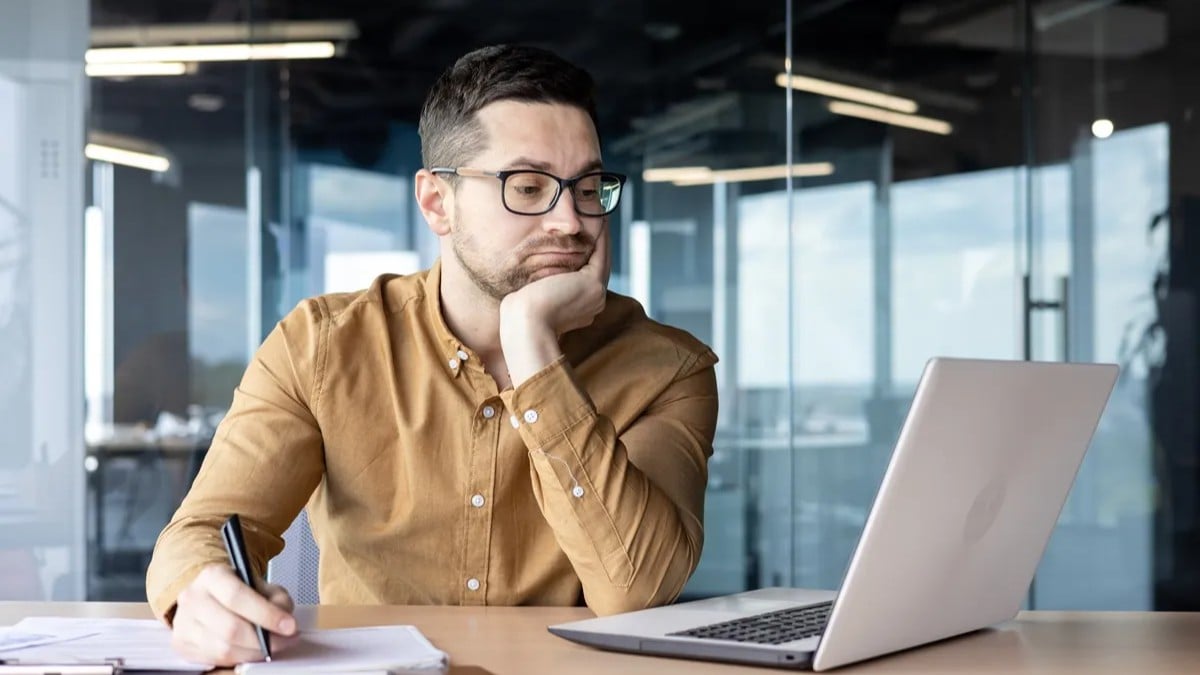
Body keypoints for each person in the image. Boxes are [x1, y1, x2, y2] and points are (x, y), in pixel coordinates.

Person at [146, 44, 719, 666]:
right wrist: (200, 596)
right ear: (436, 203)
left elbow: (637, 591)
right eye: (527, 187)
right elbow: (202, 533)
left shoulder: (667, 368)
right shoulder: (324, 345)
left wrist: (533, 347)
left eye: (587, 188)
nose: (571, 221)